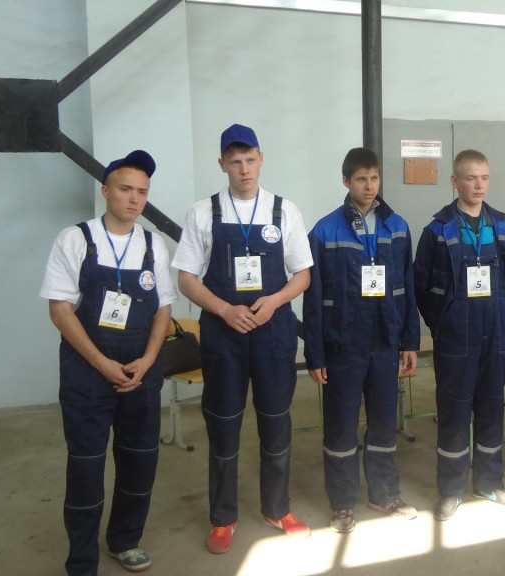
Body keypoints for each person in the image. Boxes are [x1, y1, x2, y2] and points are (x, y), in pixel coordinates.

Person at [172, 124, 314, 553]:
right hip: (224, 335)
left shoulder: (284, 211)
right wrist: (223, 310)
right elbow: (186, 279)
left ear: (261, 159)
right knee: (223, 425)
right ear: (222, 165)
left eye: (250, 159)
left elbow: (302, 274)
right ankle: (223, 518)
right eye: (235, 162)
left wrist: (275, 301)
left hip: (273, 333)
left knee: (276, 422)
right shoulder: (204, 213)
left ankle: (277, 509)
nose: (244, 169)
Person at [41, 150, 176, 575]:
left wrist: (148, 360)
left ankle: (125, 540)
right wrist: (102, 364)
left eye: (142, 192)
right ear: (105, 191)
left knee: (139, 461)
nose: (134, 199)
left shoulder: (153, 245)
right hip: (88, 374)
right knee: (86, 467)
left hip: (140, 373)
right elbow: (60, 311)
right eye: (125, 189)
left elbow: (163, 309)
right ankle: (82, 559)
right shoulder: (75, 240)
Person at [303, 147, 420, 533]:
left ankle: (384, 493)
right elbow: (313, 299)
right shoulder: (324, 231)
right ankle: (342, 503)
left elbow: (408, 288)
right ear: (346, 181)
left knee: (384, 421)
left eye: (374, 178)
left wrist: (409, 341)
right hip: (343, 346)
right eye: (360, 179)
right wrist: (315, 353)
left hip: (385, 342)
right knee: (341, 426)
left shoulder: (397, 227)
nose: (369, 186)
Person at [414, 149, 505, 520]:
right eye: (471, 178)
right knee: (455, 411)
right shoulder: (438, 229)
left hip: (495, 330)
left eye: (484, 178)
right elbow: (420, 283)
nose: (479, 185)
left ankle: (489, 483)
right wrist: (441, 323)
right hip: (456, 333)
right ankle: (451, 489)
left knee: (491, 408)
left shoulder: (502, 224)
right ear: (455, 181)